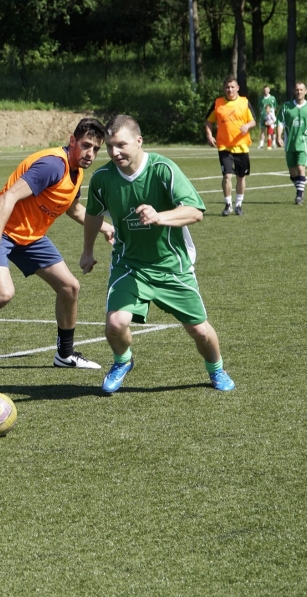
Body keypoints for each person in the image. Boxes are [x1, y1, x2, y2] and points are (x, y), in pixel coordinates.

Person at [0, 118, 115, 379]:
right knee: (3, 293)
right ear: (72, 141)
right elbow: (8, 197)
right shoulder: (53, 165)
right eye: (86, 145)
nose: (90, 154)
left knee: (70, 287)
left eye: (96, 149)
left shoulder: (76, 171)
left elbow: (73, 209)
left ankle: (65, 354)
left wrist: (104, 227)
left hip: (29, 236)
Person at [79, 114, 234, 394]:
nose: (114, 152)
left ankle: (216, 369)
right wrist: (87, 251)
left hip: (171, 265)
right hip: (130, 265)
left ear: (139, 141)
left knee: (199, 330)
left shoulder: (163, 169)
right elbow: (93, 214)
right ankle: (123, 361)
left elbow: (195, 211)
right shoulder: (102, 178)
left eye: (121, 145)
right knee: (115, 323)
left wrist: (159, 217)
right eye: (110, 146)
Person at [204, 77, 255, 216]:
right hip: (224, 147)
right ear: (224, 88)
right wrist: (209, 135)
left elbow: (253, 121)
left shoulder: (244, 102)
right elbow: (208, 121)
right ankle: (228, 204)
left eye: (232, 87)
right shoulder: (218, 103)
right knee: (227, 176)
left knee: (241, 177)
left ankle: (239, 205)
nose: (230, 89)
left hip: (241, 146)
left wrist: (247, 126)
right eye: (227, 87)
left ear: (237, 88)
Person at [276, 81, 307, 205]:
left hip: (304, 142)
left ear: (305, 91)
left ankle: (299, 196)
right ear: (294, 91)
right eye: (297, 90)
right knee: (292, 173)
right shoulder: (286, 107)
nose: (299, 92)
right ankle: (300, 187)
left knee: (301, 167)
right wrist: (278, 137)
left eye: (301, 90)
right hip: (290, 143)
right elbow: (280, 123)